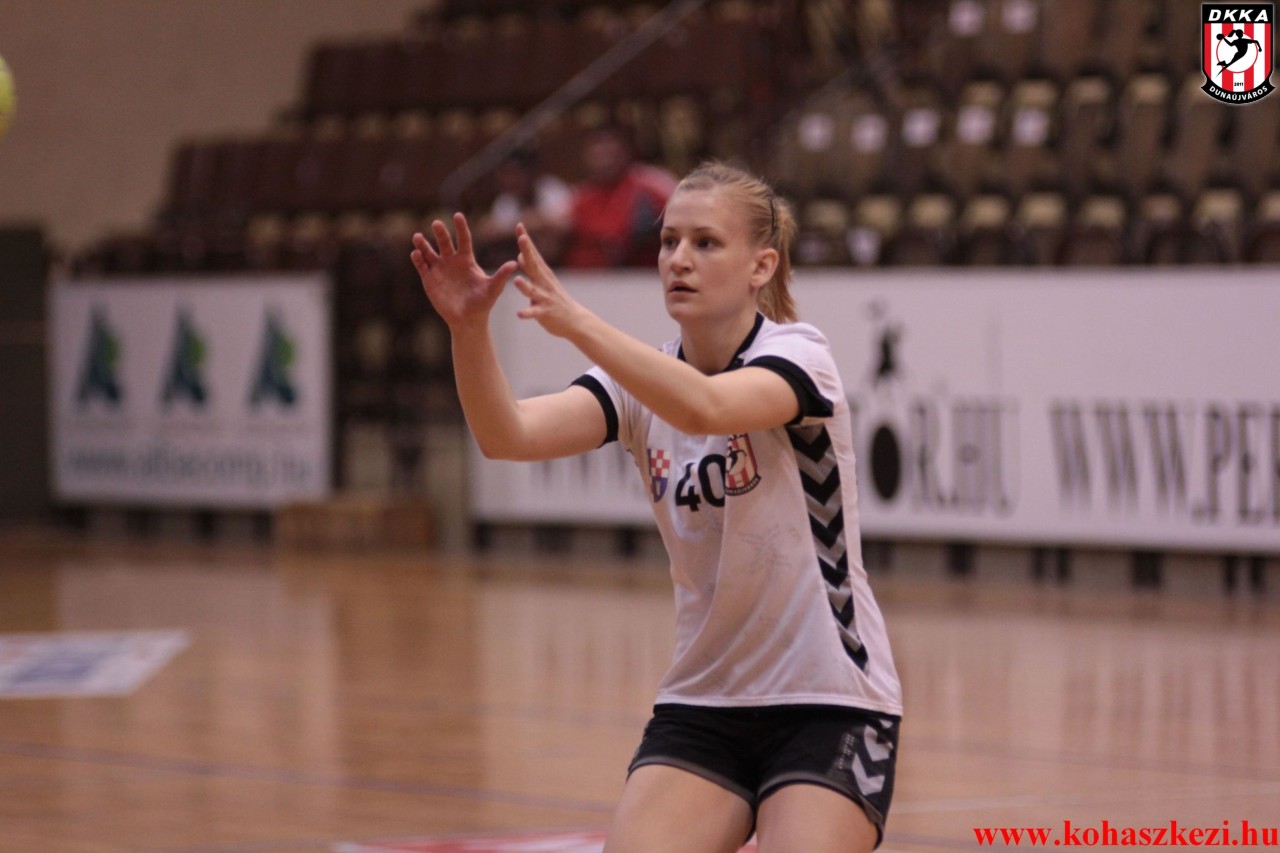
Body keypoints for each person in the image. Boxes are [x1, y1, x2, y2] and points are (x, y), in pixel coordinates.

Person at [410, 162, 902, 853]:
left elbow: (705, 407)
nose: (679, 259)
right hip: (705, 699)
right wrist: (468, 330)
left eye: (706, 243)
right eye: (670, 241)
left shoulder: (798, 355)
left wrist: (577, 321)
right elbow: (506, 435)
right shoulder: (636, 384)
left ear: (761, 266)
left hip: (831, 698)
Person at [563, 125, 678, 268]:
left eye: (609, 153)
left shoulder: (651, 184)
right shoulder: (581, 196)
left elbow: (686, 212)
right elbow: (558, 224)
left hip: (643, 273)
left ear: (625, 152)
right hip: (589, 275)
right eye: (597, 155)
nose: (604, 161)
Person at [472, 145, 572, 267]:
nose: (511, 180)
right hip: (520, 259)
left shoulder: (553, 189)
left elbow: (563, 227)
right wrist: (530, 223)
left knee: (546, 241)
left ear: (531, 172)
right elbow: (488, 232)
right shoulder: (505, 201)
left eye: (516, 173)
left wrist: (515, 226)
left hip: (564, 266)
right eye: (506, 174)